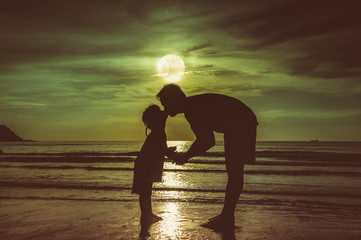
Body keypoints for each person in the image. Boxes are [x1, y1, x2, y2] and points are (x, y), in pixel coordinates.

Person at [157, 84, 258, 231]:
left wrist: (186, 156)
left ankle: (227, 217)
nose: (165, 109)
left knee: (235, 171)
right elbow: (206, 140)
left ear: (175, 100)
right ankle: (227, 216)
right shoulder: (191, 107)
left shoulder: (192, 110)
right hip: (240, 121)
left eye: (166, 104)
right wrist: (186, 156)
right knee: (234, 171)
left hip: (241, 122)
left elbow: (207, 141)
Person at [132, 104, 174, 232]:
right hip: (145, 165)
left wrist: (167, 151)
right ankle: (145, 215)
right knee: (144, 192)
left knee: (146, 192)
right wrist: (168, 152)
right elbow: (157, 150)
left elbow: (164, 116)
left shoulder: (159, 131)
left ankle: (148, 214)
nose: (147, 126)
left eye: (148, 123)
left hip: (145, 165)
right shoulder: (158, 132)